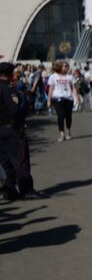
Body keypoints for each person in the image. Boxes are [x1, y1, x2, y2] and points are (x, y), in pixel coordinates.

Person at [0, 62, 39, 201]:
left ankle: (9, 190)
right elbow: (14, 109)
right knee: (19, 160)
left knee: (5, 162)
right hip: (11, 128)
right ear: (10, 74)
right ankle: (26, 189)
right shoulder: (8, 88)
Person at [46, 61, 77, 141]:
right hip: (57, 98)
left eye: (67, 66)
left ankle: (68, 130)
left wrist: (77, 97)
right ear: (60, 67)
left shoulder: (70, 77)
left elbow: (73, 88)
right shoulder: (53, 76)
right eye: (64, 66)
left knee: (68, 116)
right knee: (61, 115)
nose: (66, 67)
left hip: (68, 98)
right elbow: (51, 89)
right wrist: (49, 100)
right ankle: (62, 134)